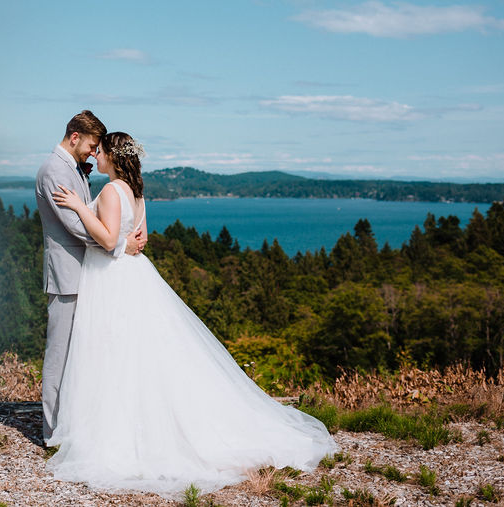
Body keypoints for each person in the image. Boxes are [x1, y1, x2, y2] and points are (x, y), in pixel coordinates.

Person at [47, 132, 337, 496]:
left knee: (114, 354)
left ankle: (118, 434)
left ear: (113, 157)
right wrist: (127, 243)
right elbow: (142, 238)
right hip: (134, 275)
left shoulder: (108, 192)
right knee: (138, 355)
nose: (97, 156)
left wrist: (78, 206)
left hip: (111, 279)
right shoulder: (136, 193)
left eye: (101, 151)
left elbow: (107, 241)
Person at [35, 111, 146, 445]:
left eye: (99, 149)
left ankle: (78, 427)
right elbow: (74, 226)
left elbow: (93, 223)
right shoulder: (54, 170)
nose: (93, 153)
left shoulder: (77, 171)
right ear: (74, 138)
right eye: (91, 146)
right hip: (68, 275)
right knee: (60, 355)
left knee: (88, 355)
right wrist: (119, 245)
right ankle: (52, 434)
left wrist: (117, 242)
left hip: (93, 276)